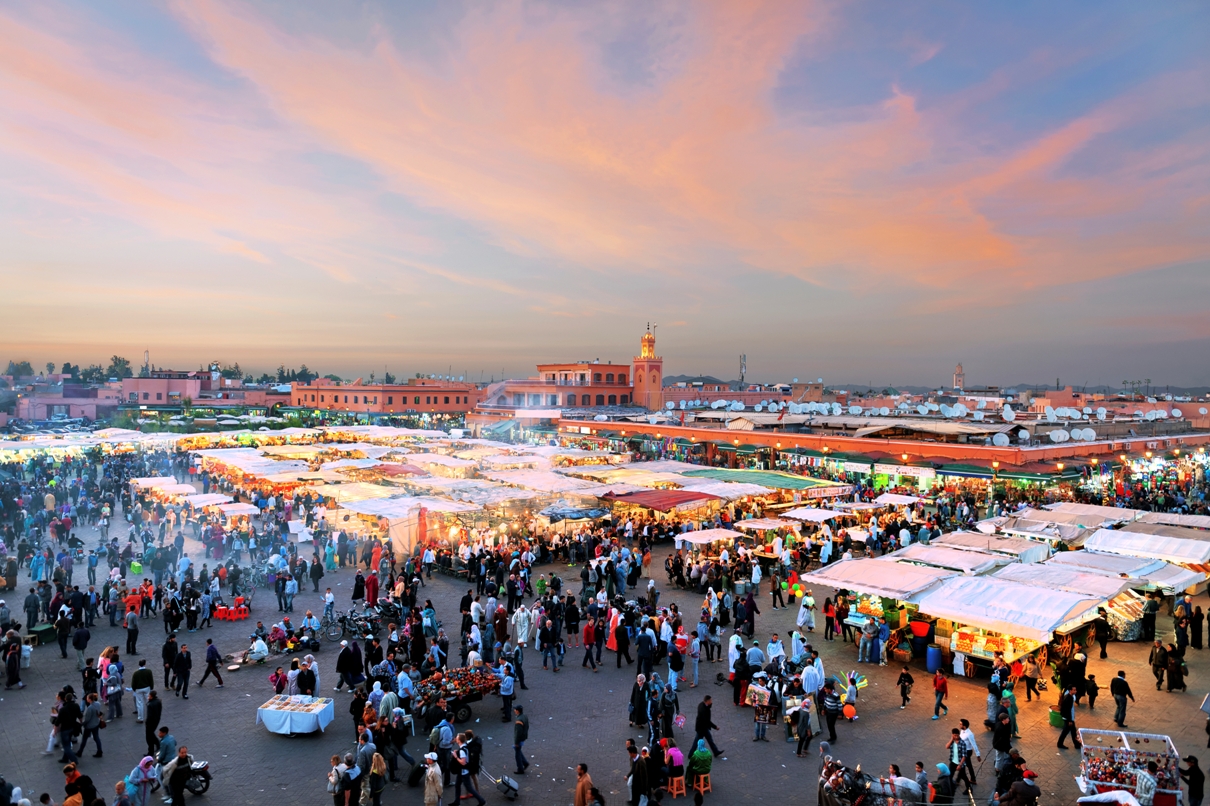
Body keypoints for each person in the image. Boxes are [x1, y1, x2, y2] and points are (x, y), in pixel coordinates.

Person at [449, 733, 485, 806]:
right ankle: (457, 801)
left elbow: (463, 762)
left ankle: (481, 800)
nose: (456, 739)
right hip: (462, 771)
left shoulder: (462, 750)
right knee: (457, 785)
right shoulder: (465, 746)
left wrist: (456, 756)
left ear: (459, 740)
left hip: (464, 772)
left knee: (469, 788)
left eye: (457, 738)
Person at [1056, 685, 1080, 749]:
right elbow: (1068, 710)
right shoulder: (1069, 698)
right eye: (1074, 690)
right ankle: (1060, 744)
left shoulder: (1068, 696)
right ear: (1070, 690)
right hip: (1068, 718)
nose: (1075, 691)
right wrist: (1070, 720)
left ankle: (1077, 745)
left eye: (1075, 690)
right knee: (1065, 732)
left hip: (1069, 718)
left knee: (1073, 731)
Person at [513, 705, 530, 775]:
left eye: (515, 710)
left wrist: (516, 742)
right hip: (524, 736)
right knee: (518, 750)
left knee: (517, 754)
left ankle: (520, 769)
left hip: (519, 739)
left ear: (517, 711)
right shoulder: (524, 716)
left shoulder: (519, 721)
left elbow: (518, 733)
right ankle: (525, 763)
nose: (514, 711)